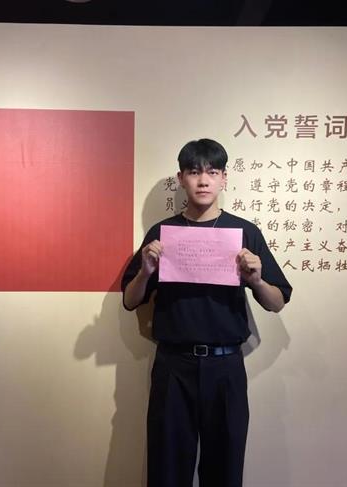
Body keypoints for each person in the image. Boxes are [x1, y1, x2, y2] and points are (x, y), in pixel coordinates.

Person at [121, 138, 292, 487]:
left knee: (224, 470)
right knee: (167, 471)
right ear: (181, 178)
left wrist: (256, 280)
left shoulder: (244, 232)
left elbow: (276, 302)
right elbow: (130, 300)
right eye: (194, 172)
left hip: (226, 367)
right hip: (174, 366)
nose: (203, 180)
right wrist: (146, 272)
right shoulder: (162, 233)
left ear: (224, 179)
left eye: (212, 172)